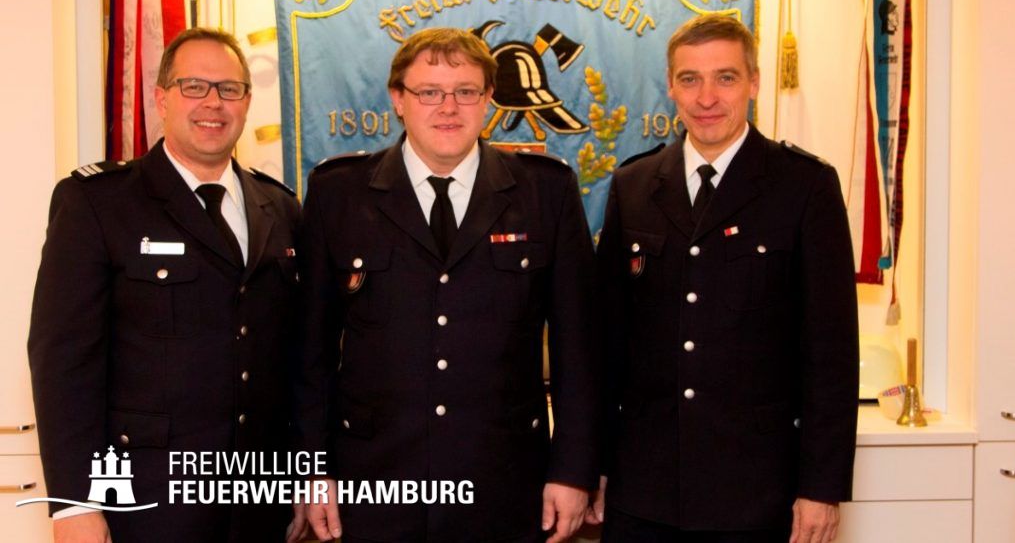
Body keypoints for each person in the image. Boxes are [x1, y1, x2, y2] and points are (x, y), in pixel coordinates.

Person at [296, 27, 599, 543]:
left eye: (466, 91)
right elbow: (309, 352)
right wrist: (308, 469)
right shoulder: (338, 194)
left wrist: (572, 471)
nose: (448, 107)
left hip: (503, 480)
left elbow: (579, 347)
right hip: (373, 484)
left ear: (488, 101)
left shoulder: (544, 191)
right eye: (429, 92)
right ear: (398, 100)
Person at [28, 28, 305, 543]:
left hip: (257, 504)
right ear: (161, 98)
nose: (213, 104)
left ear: (246, 102)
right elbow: (64, 361)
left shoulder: (280, 207)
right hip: (144, 501)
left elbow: (292, 361)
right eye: (194, 86)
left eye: (229, 89)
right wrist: (72, 504)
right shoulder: (99, 203)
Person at [590, 14, 859, 543]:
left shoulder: (805, 187)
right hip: (644, 490)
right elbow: (607, 346)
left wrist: (821, 488)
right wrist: (592, 465)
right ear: (670, 86)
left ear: (754, 83)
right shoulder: (634, 184)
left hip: (757, 493)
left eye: (726, 77)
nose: (706, 96)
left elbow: (830, 353)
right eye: (690, 79)